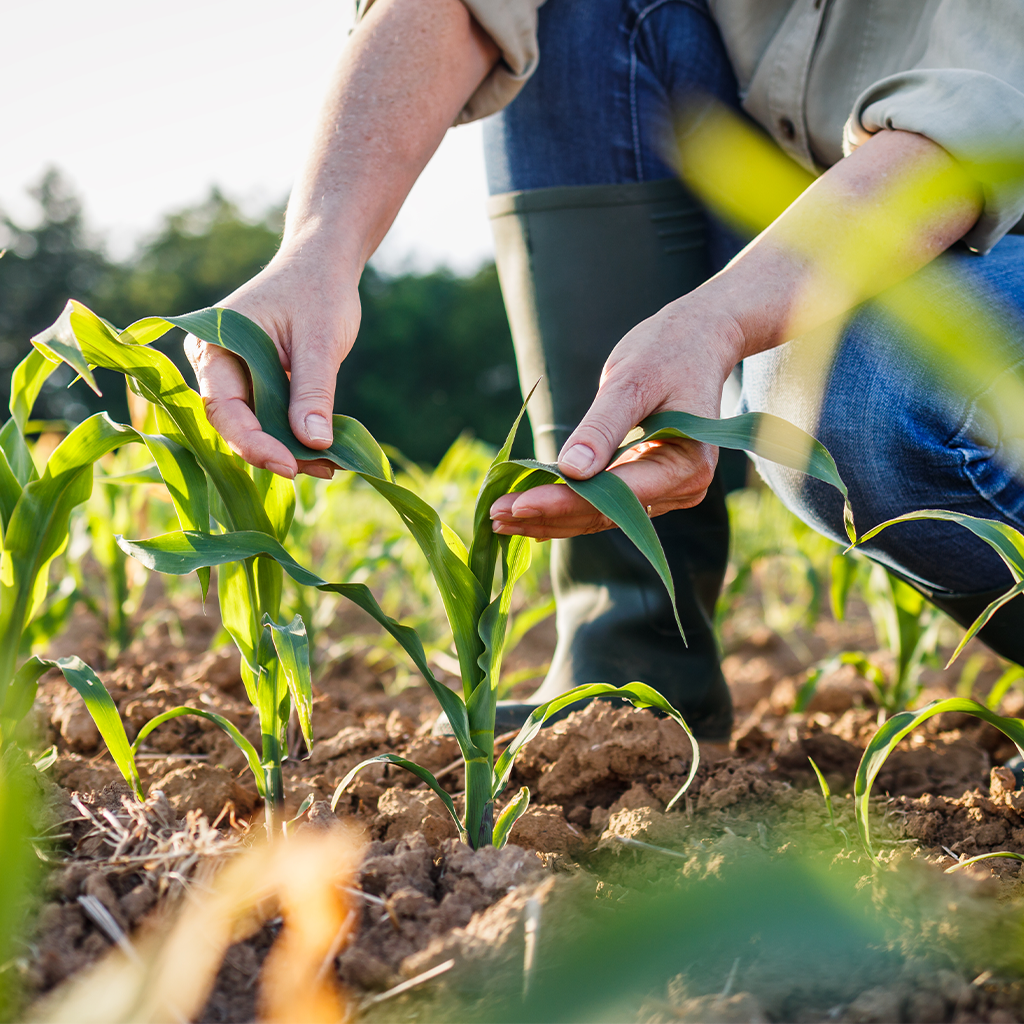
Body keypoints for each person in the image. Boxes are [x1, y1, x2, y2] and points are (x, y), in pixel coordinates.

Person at [186, 0, 1024, 745]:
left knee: (844, 393)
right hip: (812, 204)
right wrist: (320, 249)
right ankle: (633, 669)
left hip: (986, 209)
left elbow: (975, 125)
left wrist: (724, 317)